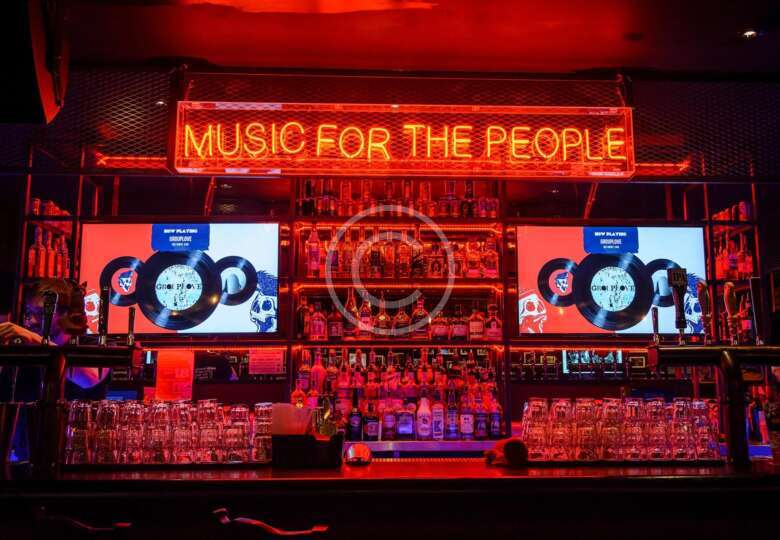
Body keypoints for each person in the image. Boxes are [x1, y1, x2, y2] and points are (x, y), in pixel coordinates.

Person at [0, 279, 109, 401]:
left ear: (67, 315)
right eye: (30, 312)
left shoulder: (94, 345)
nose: (32, 321)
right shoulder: (24, 348)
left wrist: (36, 340)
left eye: (41, 313)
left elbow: (89, 379)